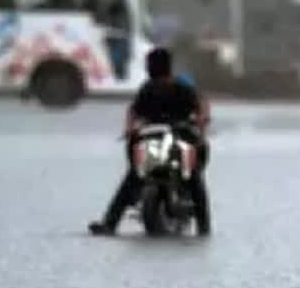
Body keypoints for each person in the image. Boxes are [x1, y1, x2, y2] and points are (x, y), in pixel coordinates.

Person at [88, 48, 212, 236]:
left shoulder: (179, 88)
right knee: (136, 175)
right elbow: (134, 111)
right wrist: (130, 129)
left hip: (179, 137)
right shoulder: (149, 88)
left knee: (192, 175)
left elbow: (201, 105)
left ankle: (204, 226)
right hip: (154, 139)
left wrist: (201, 124)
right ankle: (110, 223)